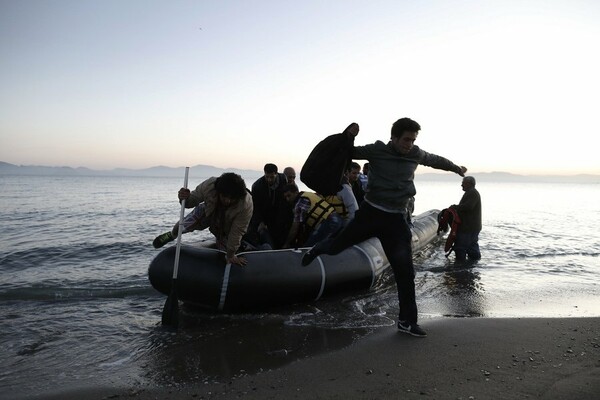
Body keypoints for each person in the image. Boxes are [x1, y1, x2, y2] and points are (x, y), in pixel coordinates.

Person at [301, 117, 467, 338]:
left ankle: (407, 322)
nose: (409, 144)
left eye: (413, 140)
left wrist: (456, 168)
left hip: (396, 221)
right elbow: (347, 151)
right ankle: (318, 249)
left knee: (405, 273)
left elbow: (435, 160)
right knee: (335, 247)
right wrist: (347, 135)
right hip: (370, 214)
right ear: (394, 138)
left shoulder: (415, 154)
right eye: (406, 139)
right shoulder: (377, 150)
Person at [152, 172, 253, 266]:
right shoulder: (210, 186)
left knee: (226, 251)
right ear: (218, 191)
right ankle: (172, 234)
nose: (227, 201)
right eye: (224, 196)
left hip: (227, 225)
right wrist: (185, 197)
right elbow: (191, 201)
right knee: (186, 223)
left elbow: (237, 232)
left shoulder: (245, 205)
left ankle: (233, 246)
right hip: (208, 211)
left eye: (232, 198)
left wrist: (231, 255)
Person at [282, 184, 343, 248]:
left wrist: (287, 243)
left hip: (329, 223)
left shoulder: (300, 203)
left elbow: (295, 226)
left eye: (289, 195)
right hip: (338, 219)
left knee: (308, 248)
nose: (287, 199)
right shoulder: (308, 194)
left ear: (296, 192)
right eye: (286, 197)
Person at [247, 163, 292, 250]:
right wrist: (261, 221)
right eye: (267, 177)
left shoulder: (283, 179)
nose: (269, 179)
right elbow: (256, 207)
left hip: (279, 213)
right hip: (265, 214)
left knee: (280, 237)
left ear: (276, 174)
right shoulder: (257, 186)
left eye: (271, 177)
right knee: (263, 235)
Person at [450, 176, 482, 261]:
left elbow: (468, 207)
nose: (461, 185)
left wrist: (455, 207)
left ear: (469, 184)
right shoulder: (471, 192)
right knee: (472, 246)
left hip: (468, 227)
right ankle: (472, 266)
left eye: (463, 183)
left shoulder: (472, 193)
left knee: (461, 247)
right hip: (472, 226)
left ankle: (461, 266)